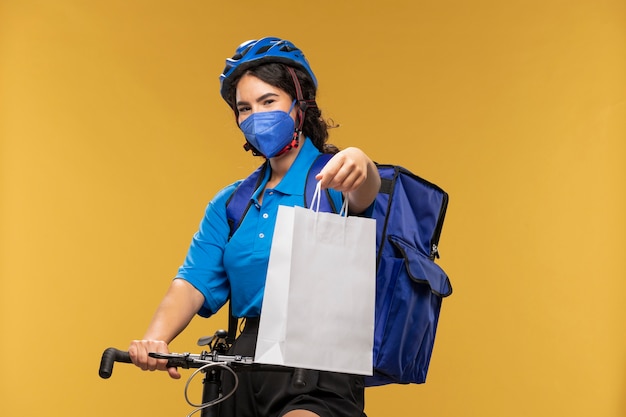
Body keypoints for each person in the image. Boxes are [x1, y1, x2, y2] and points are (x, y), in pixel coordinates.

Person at [128, 36, 381, 417]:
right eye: (244, 108)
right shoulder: (231, 203)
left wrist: (362, 161)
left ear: (300, 105)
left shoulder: (333, 178)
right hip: (241, 363)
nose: (255, 116)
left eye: (268, 102)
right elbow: (193, 281)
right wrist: (155, 339)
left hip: (317, 363)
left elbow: (365, 192)